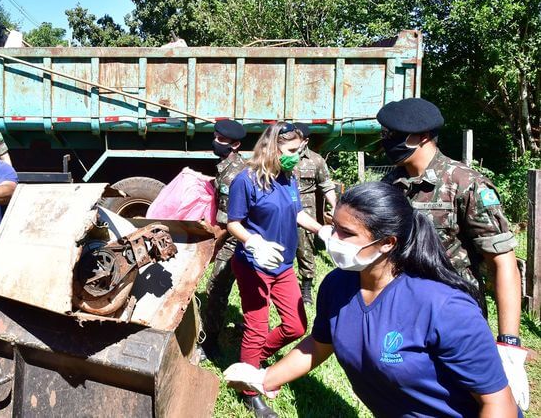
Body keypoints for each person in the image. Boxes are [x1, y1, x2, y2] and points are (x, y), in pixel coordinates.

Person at [224, 181, 521, 418]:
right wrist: (265, 378)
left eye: (346, 233)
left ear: (387, 243)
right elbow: (319, 343)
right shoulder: (337, 285)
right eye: (333, 227)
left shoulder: (443, 307)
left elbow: (498, 405)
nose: (332, 238)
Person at [376, 97, 528, 410]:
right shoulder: (391, 183)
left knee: (475, 402)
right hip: (404, 314)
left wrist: (509, 342)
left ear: (422, 136)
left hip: (455, 318)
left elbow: (503, 263)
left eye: (393, 134)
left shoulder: (465, 184)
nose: (386, 141)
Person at [226, 122, 324, 418]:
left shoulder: (288, 177)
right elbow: (233, 223)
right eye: (292, 150)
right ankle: (249, 392)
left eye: (300, 150)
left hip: (283, 266)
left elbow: (297, 212)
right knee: (256, 329)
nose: (297, 155)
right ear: (272, 148)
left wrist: (323, 231)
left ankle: (251, 363)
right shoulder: (246, 180)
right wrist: (254, 242)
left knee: (296, 326)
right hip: (254, 265)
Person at [199, 119, 248, 360]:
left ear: (236, 145)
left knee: (216, 287)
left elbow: (231, 219)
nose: (216, 142)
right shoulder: (226, 167)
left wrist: (215, 240)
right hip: (235, 235)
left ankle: (209, 344)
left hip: (238, 238)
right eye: (215, 136)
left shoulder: (236, 173)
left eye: (222, 140)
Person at [291, 123, 337, 305]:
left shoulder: (316, 160)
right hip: (284, 211)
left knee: (305, 250)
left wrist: (335, 206)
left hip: (306, 212)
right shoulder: (281, 156)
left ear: (306, 141)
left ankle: (306, 288)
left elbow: (326, 185)